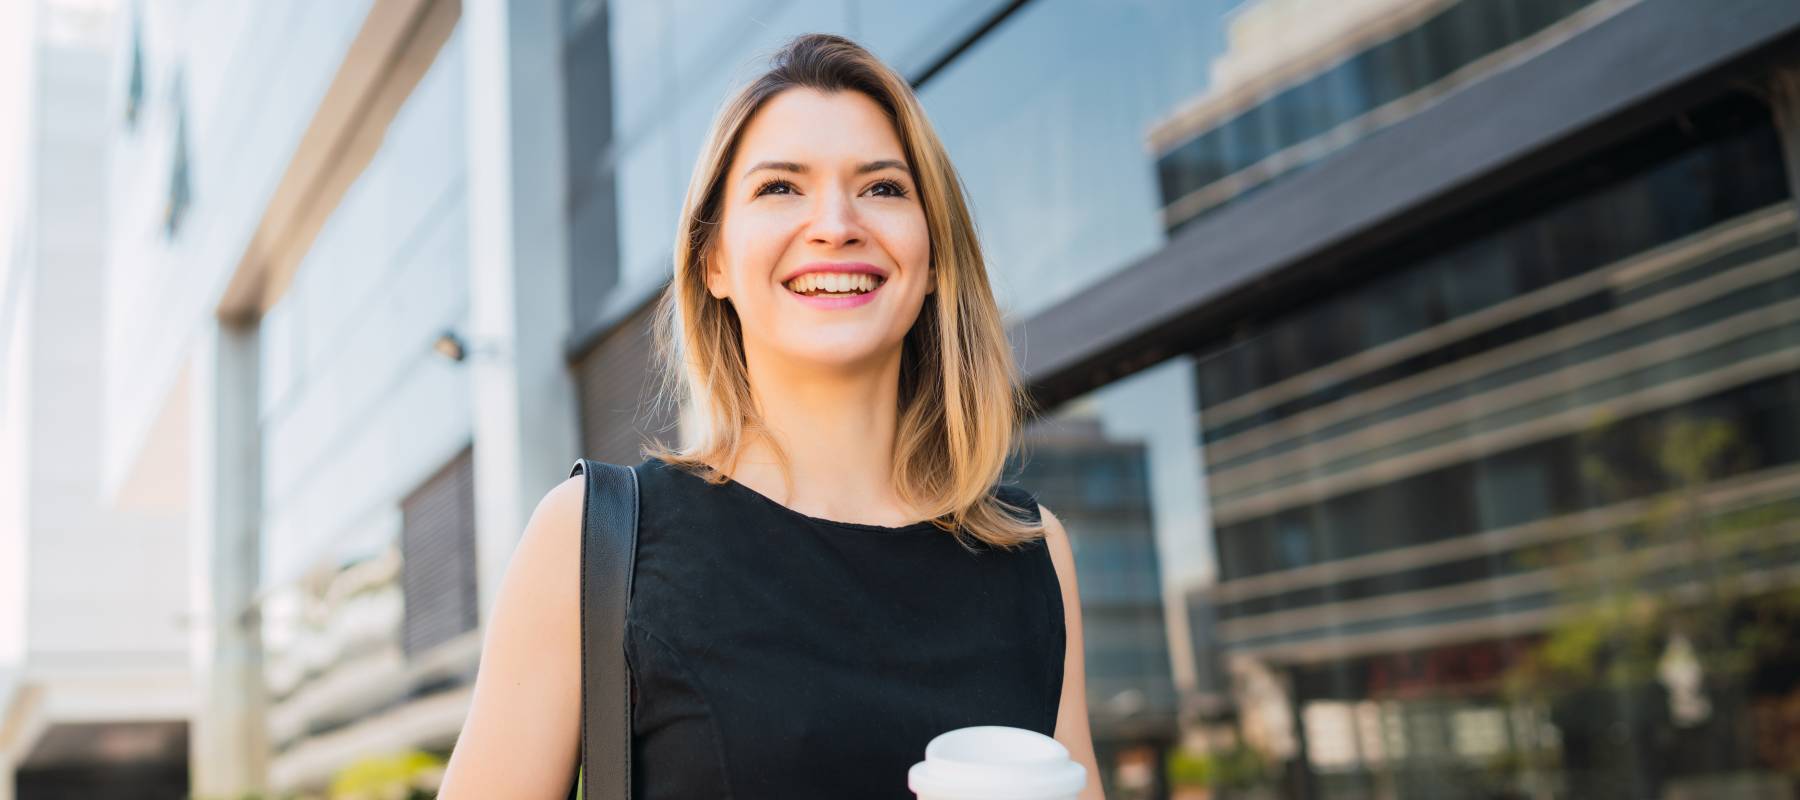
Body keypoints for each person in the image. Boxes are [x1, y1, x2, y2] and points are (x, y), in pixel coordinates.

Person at [439, 32, 1103, 799]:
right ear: (713, 260)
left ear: (933, 261)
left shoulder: (1032, 550)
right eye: (780, 187)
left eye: (883, 188)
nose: (836, 223)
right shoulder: (595, 537)